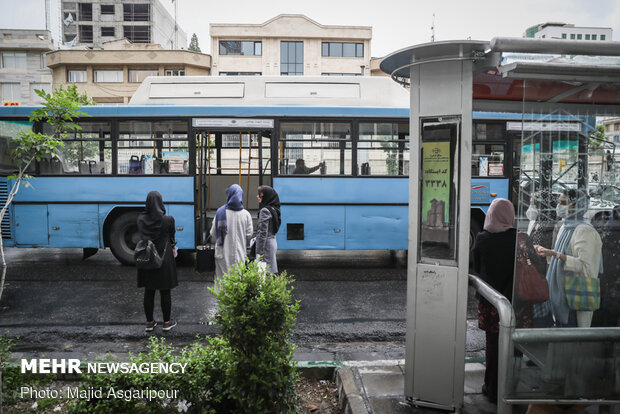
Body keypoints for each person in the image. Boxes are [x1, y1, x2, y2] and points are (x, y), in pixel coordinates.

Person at [535, 189, 602, 328]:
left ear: (577, 205)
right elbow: (563, 255)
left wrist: (555, 254)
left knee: (571, 338)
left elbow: (585, 267)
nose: (559, 205)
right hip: (560, 295)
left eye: (564, 202)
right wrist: (548, 253)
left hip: (574, 296)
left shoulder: (584, 231)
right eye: (559, 202)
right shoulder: (565, 226)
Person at [473, 198, 516, 404]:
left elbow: (476, 266)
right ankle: (510, 388)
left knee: (492, 343)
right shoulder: (518, 239)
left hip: (490, 302)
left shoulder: (482, 239)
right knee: (512, 345)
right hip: (513, 302)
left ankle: (492, 389)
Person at [137, 191, 178, 332]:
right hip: (164, 259)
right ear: (161, 202)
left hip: (147, 258)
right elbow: (172, 238)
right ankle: (167, 322)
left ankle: (149, 322)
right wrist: (173, 247)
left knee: (149, 291)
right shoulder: (168, 220)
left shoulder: (141, 219)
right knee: (165, 291)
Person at [209, 184, 253, 293]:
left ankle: (223, 308)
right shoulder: (246, 214)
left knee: (222, 284)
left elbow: (213, 234)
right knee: (238, 284)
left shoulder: (220, 212)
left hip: (222, 255)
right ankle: (235, 309)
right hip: (239, 254)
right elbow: (249, 234)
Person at [256, 185, 281, 273]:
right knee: (270, 271)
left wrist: (259, 251)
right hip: (272, 242)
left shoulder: (265, 211)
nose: (257, 196)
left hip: (266, 245)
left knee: (264, 273)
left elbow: (263, 233)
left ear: (266, 196)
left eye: (260, 195)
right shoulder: (274, 209)